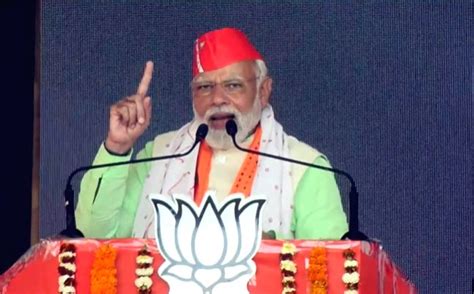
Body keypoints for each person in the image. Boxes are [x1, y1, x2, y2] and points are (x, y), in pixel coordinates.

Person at [75, 27, 348, 240]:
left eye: (233, 85)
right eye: (204, 88)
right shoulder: (161, 154)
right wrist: (117, 148)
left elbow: (331, 269)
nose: (217, 99)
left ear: (263, 91)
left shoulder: (302, 167)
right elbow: (93, 235)